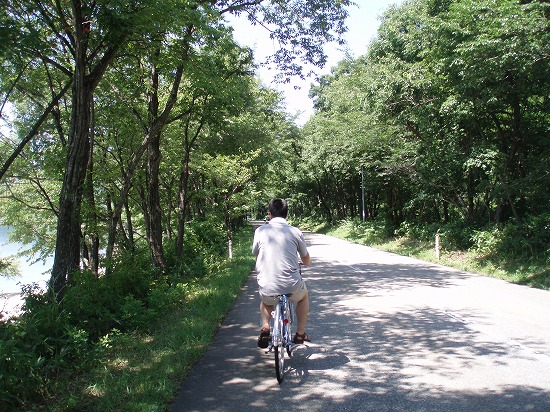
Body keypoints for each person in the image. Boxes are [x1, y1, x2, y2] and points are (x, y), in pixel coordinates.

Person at [252, 198, 312, 348]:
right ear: (286, 214)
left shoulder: (260, 231)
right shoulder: (295, 231)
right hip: (292, 285)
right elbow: (305, 258)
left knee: (266, 301)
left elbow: (256, 254)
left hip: (267, 284)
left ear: (270, 214)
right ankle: (300, 333)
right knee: (304, 296)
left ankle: (266, 326)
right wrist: (306, 262)